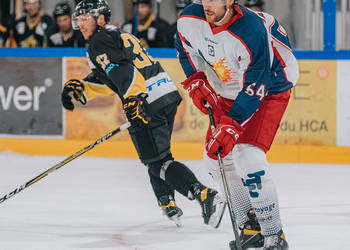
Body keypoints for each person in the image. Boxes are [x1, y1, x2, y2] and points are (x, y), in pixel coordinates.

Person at [62, 0, 226, 229]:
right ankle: (167, 202)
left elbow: (124, 72)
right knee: (157, 157)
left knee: (157, 162)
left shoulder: (98, 42)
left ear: (100, 18)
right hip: (164, 94)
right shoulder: (116, 35)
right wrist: (83, 87)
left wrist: (133, 100)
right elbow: (113, 75)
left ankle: (205, 195)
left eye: (85, 17)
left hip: (146, 101)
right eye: (78, 18)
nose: (80, 22)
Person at [176, 0, 299, 249]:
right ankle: (249, 225)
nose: (206, 4)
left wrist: (232, 125)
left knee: (248, 157)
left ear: (229, 1)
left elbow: (256, 84)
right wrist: (195, 79)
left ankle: (275, 235)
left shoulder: (250, 30)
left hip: (271, 86)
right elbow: (184, 46)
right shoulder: (189, 18)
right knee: (215, 158)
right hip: (231, 88)